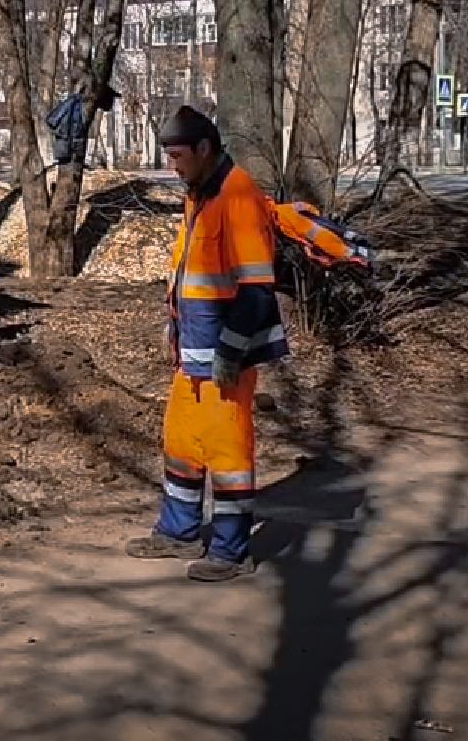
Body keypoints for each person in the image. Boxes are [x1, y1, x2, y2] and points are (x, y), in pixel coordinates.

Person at [125, 106, 288, 582]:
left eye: (178, 156)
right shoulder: (201, 194)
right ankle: (179, 533)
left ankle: (233, 551)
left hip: (222, 358)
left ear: (203, 149)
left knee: (227, 453)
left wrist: (231, 354)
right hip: (194, 354)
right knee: (182, 444)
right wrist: (172, 328)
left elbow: (256, 291)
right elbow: (193, 278)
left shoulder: (237, 198)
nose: (173, 167)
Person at [45, 84, 117, 166]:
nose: (112, 104)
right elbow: (54, 122)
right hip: (68, 150)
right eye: (110, 99)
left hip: (69, 149)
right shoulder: (76, 106)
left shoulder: (78, 104)